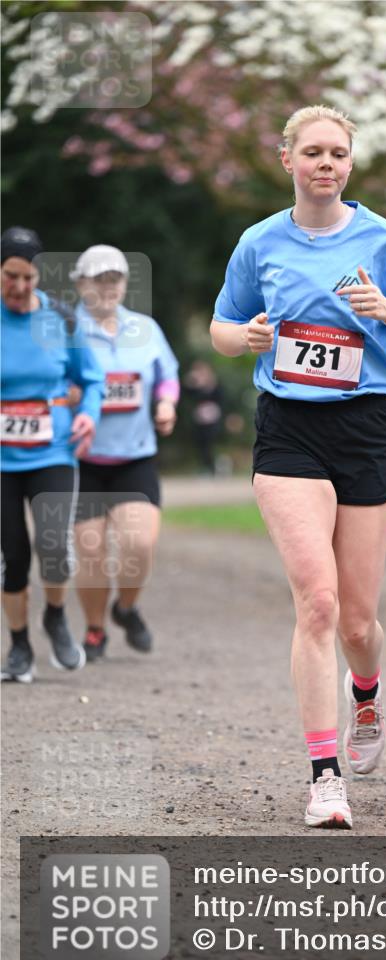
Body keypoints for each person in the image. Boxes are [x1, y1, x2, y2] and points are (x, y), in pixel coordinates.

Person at [210, 105, 386, 829]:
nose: (326, 163)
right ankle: (323, 777)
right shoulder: (259, 243)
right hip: (289, 431)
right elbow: (223, 325)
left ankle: (365, 691)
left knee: (357, 620)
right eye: (312, 151)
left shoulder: (385, 241)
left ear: (349, 163)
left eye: (337, 153)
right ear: (287, 159)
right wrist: (240, 336)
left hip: (366, 427)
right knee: (315, 601)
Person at [1, 226, 104, 682]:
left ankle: (56, 617)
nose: (20, 287)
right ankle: (20, 644)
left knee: (54, 550)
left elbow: (94, 379)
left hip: (54, 451)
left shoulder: (62, 320)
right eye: (10, 276)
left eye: (28, 277)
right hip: (2, 460)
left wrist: (89, 414)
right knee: (14, 555)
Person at [70, 245, 179, 661]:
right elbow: (46, 386)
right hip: (83, 462)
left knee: (139, 545)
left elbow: (167, 376)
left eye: (114, 278)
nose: (108, 286)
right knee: (92, 553)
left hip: (135, 458)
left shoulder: (145, 329)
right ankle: (95, 631)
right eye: (98, 279)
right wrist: (69, 397)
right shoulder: (65, 331)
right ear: (81, 284)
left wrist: (167, 404)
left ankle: (126, 608)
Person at [183, 359, 225, 475]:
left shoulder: (214, 384)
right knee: (201, 442)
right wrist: (192, 382)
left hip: (212, 416)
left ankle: (214, 467)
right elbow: (188, 394)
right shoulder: (195, 385)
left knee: (209, 442)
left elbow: (220, 399)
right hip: (200, 416)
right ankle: (206, 467)